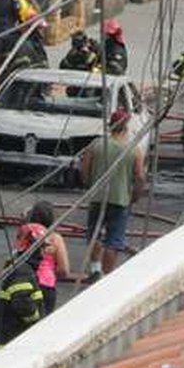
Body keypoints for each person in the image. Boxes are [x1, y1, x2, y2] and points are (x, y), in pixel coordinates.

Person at [78, 108, 147, 281]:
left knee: (94, 234)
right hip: (120, 200)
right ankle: (106, 278)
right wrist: (135, 196)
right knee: (114, 240)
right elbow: (140, 177)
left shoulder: (96, 145)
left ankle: (94, 269)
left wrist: (90, 186)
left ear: (110, 126)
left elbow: (84, 170)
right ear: (125, 127)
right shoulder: (133, 149)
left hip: (97, 198)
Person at [16, 201, 70, 315]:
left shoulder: (24, 233)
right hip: (46, 283)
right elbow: (63, 269)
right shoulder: (55, 238)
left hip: (24, 281)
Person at [0, 257, 44, 348]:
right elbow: (22, 302)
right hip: (18, 343)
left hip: (11, 341)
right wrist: (36, 320)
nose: (43, 253)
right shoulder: (22, 271)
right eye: (41, 249)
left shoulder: (21, 268)